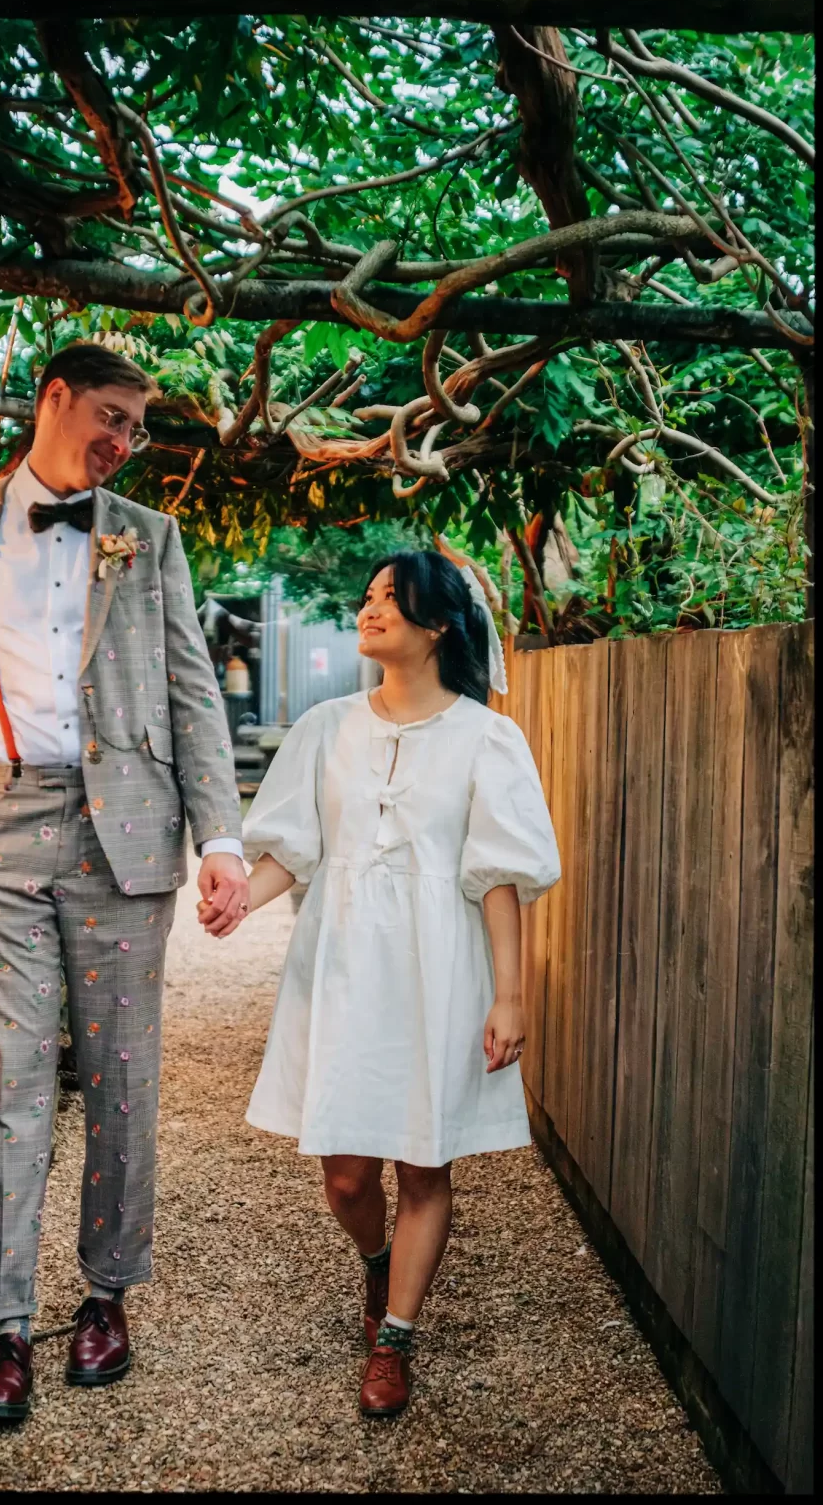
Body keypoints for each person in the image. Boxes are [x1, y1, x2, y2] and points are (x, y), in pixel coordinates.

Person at [0, 343, 248, 1422]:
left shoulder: (150, 538)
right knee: (7, 1084)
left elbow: (192, 694)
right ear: (53, 398)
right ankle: (3, 1328)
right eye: (110, 417)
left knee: (123, 1077)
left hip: (125, 835)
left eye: (135, 427)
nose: (123, 441)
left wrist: (219, 837)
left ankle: (105, 1297)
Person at [201, 549, 559, 1417]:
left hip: (439, 963)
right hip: (344, 962)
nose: (369, 611)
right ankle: (375, 1262)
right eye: (366, 598)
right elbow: (295, 849)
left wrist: (509, 997)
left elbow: (497, 879)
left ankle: (393, 1337)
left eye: (390, 601)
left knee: (423, 1162)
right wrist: (244, 897)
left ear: (437, 625)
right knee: (348, 1176)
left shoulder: (488, 738)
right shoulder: (326, 728)